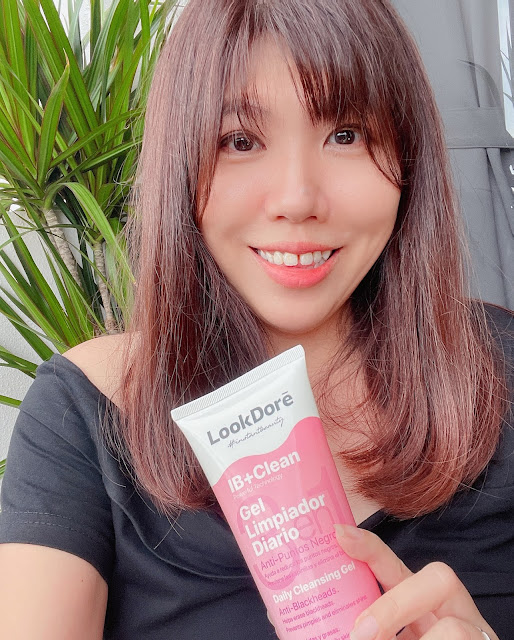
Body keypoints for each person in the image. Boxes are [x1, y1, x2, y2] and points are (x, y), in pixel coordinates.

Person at [0, 0, 512, 638]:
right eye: (240, 141)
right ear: (181, 163)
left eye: (346, 135)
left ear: (410, 159)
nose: (297, 199)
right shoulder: (86, 410)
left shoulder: (500, 371)